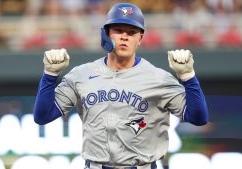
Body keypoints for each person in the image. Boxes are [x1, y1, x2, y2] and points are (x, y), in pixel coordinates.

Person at [33, 2, 209, 169]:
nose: (124, 36)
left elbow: (198, 118)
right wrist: (50, 75)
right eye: (118, 30)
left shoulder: (158, 78)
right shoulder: (81, 75)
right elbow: (43, 116)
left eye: (131, 32)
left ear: (140, 38)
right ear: (106, 33)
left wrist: (188, 77)